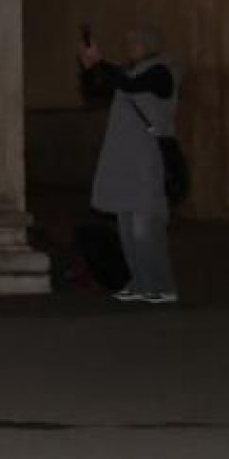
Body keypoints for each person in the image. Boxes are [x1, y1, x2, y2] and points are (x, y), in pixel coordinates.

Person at [78, 23, 182, 306]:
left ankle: (160, 284)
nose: (130, 47)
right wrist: (89, 68)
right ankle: (139, 281)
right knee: (126, 225)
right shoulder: (130, 72)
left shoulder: (162, 72)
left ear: (149, 45)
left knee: (145, 226)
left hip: (146, 159)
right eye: (129, 42)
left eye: (135, 42)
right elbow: (97, 90)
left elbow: (133, 85)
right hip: (124, 160)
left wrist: (102, 63)